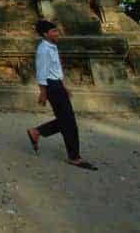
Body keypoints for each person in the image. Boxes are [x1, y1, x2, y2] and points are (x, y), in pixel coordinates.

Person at [26, 19, 97, 170]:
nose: (57, 34)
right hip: (51, 86)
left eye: (56, 31)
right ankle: (74, 157)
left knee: (66, 119)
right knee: (69, 121)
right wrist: (43, 93)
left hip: (57, 85)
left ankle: (37, 131)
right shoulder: (43, 49)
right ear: (45, 34)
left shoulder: (52, 47)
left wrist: (64, 86)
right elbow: (42, 72)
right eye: (53, 32)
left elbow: (56, 69)